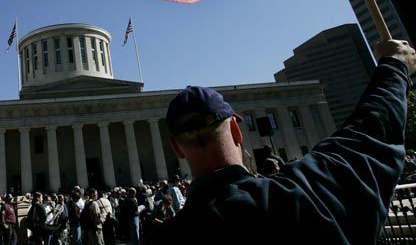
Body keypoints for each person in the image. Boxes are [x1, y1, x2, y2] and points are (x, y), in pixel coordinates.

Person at [147, 39, 416, 244]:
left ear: (176, 148)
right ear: (237, 131)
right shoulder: (304, 195)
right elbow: (370, 134)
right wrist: (395, 66)